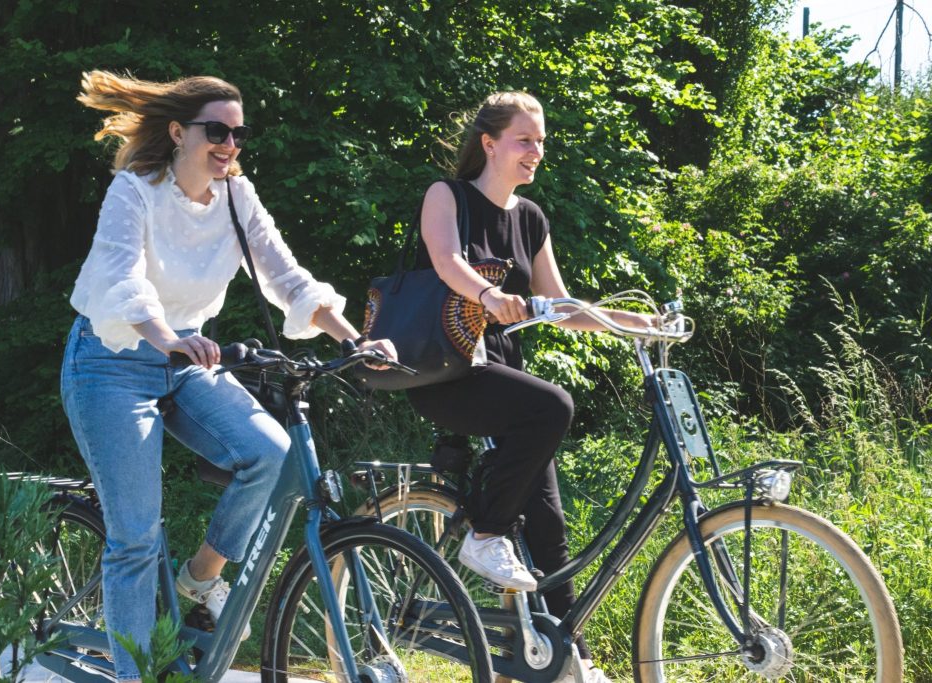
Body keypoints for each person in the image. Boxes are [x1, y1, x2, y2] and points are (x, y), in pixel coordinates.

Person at [60, 70, 395, 681]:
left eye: (238, 135)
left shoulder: (238, 197)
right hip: (111, 361)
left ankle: (200, 577)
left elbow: (286, 276)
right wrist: (168, 337)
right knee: (134, 538)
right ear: (178, 132)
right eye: (217, 131)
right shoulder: (134, 191)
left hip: (186, 362)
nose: (230, 145)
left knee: (270, 456)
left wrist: (355, 338)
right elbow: (122, 277)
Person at [406, 92, 654, 683]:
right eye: (525, 140)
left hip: (501, 380)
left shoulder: (531, 217)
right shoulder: (449, 197)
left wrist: (637, 324)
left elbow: (562, 306)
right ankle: (485, 534)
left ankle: (574, 664)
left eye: (540, 141)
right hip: (446, 373)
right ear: (490, 143)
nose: (537, 151)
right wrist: (488, 294)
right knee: (553, 406)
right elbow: (446, 262)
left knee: (549, 525)